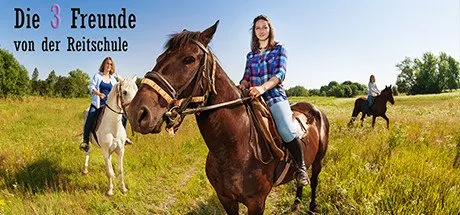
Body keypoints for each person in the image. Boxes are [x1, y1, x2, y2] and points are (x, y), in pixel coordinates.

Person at [238, 15, 309, 186]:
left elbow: (280, 74)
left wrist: (262, 88)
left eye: (264, 27)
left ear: (270, 29)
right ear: (254, 32)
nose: (261, 31)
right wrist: (242, 84)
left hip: (274, 96)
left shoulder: (279, 49)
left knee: (285, 129)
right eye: (257, 28)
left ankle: (301, 167)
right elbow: (246, 77)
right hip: (252, 97)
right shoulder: (251, 55)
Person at [80, 57, 132, 152]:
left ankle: (124, 138)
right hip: (98, 104)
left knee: (124, 116)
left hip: (110, 106)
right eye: (107, 63)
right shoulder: (98, 76)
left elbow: (118, 90)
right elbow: (91, 87)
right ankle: (85, 141)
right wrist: (99, 94)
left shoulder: (113, 79)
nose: (109, 65)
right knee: (90, 117)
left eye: (111, 64)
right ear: (104, 65)